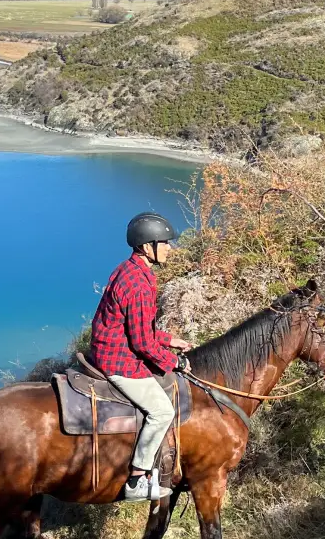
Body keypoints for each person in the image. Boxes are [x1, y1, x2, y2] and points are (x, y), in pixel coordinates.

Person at [90, 212, 194, 501]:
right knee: (162, 412)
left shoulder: (132, 270)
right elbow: (142, 343)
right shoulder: (137, 284)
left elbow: (139, 328)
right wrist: (173, 361)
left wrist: (169, 339)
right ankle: (137, 479)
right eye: (165, 243)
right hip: (117, 358)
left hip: (112, 346)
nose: (170, 248)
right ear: (148, 247)